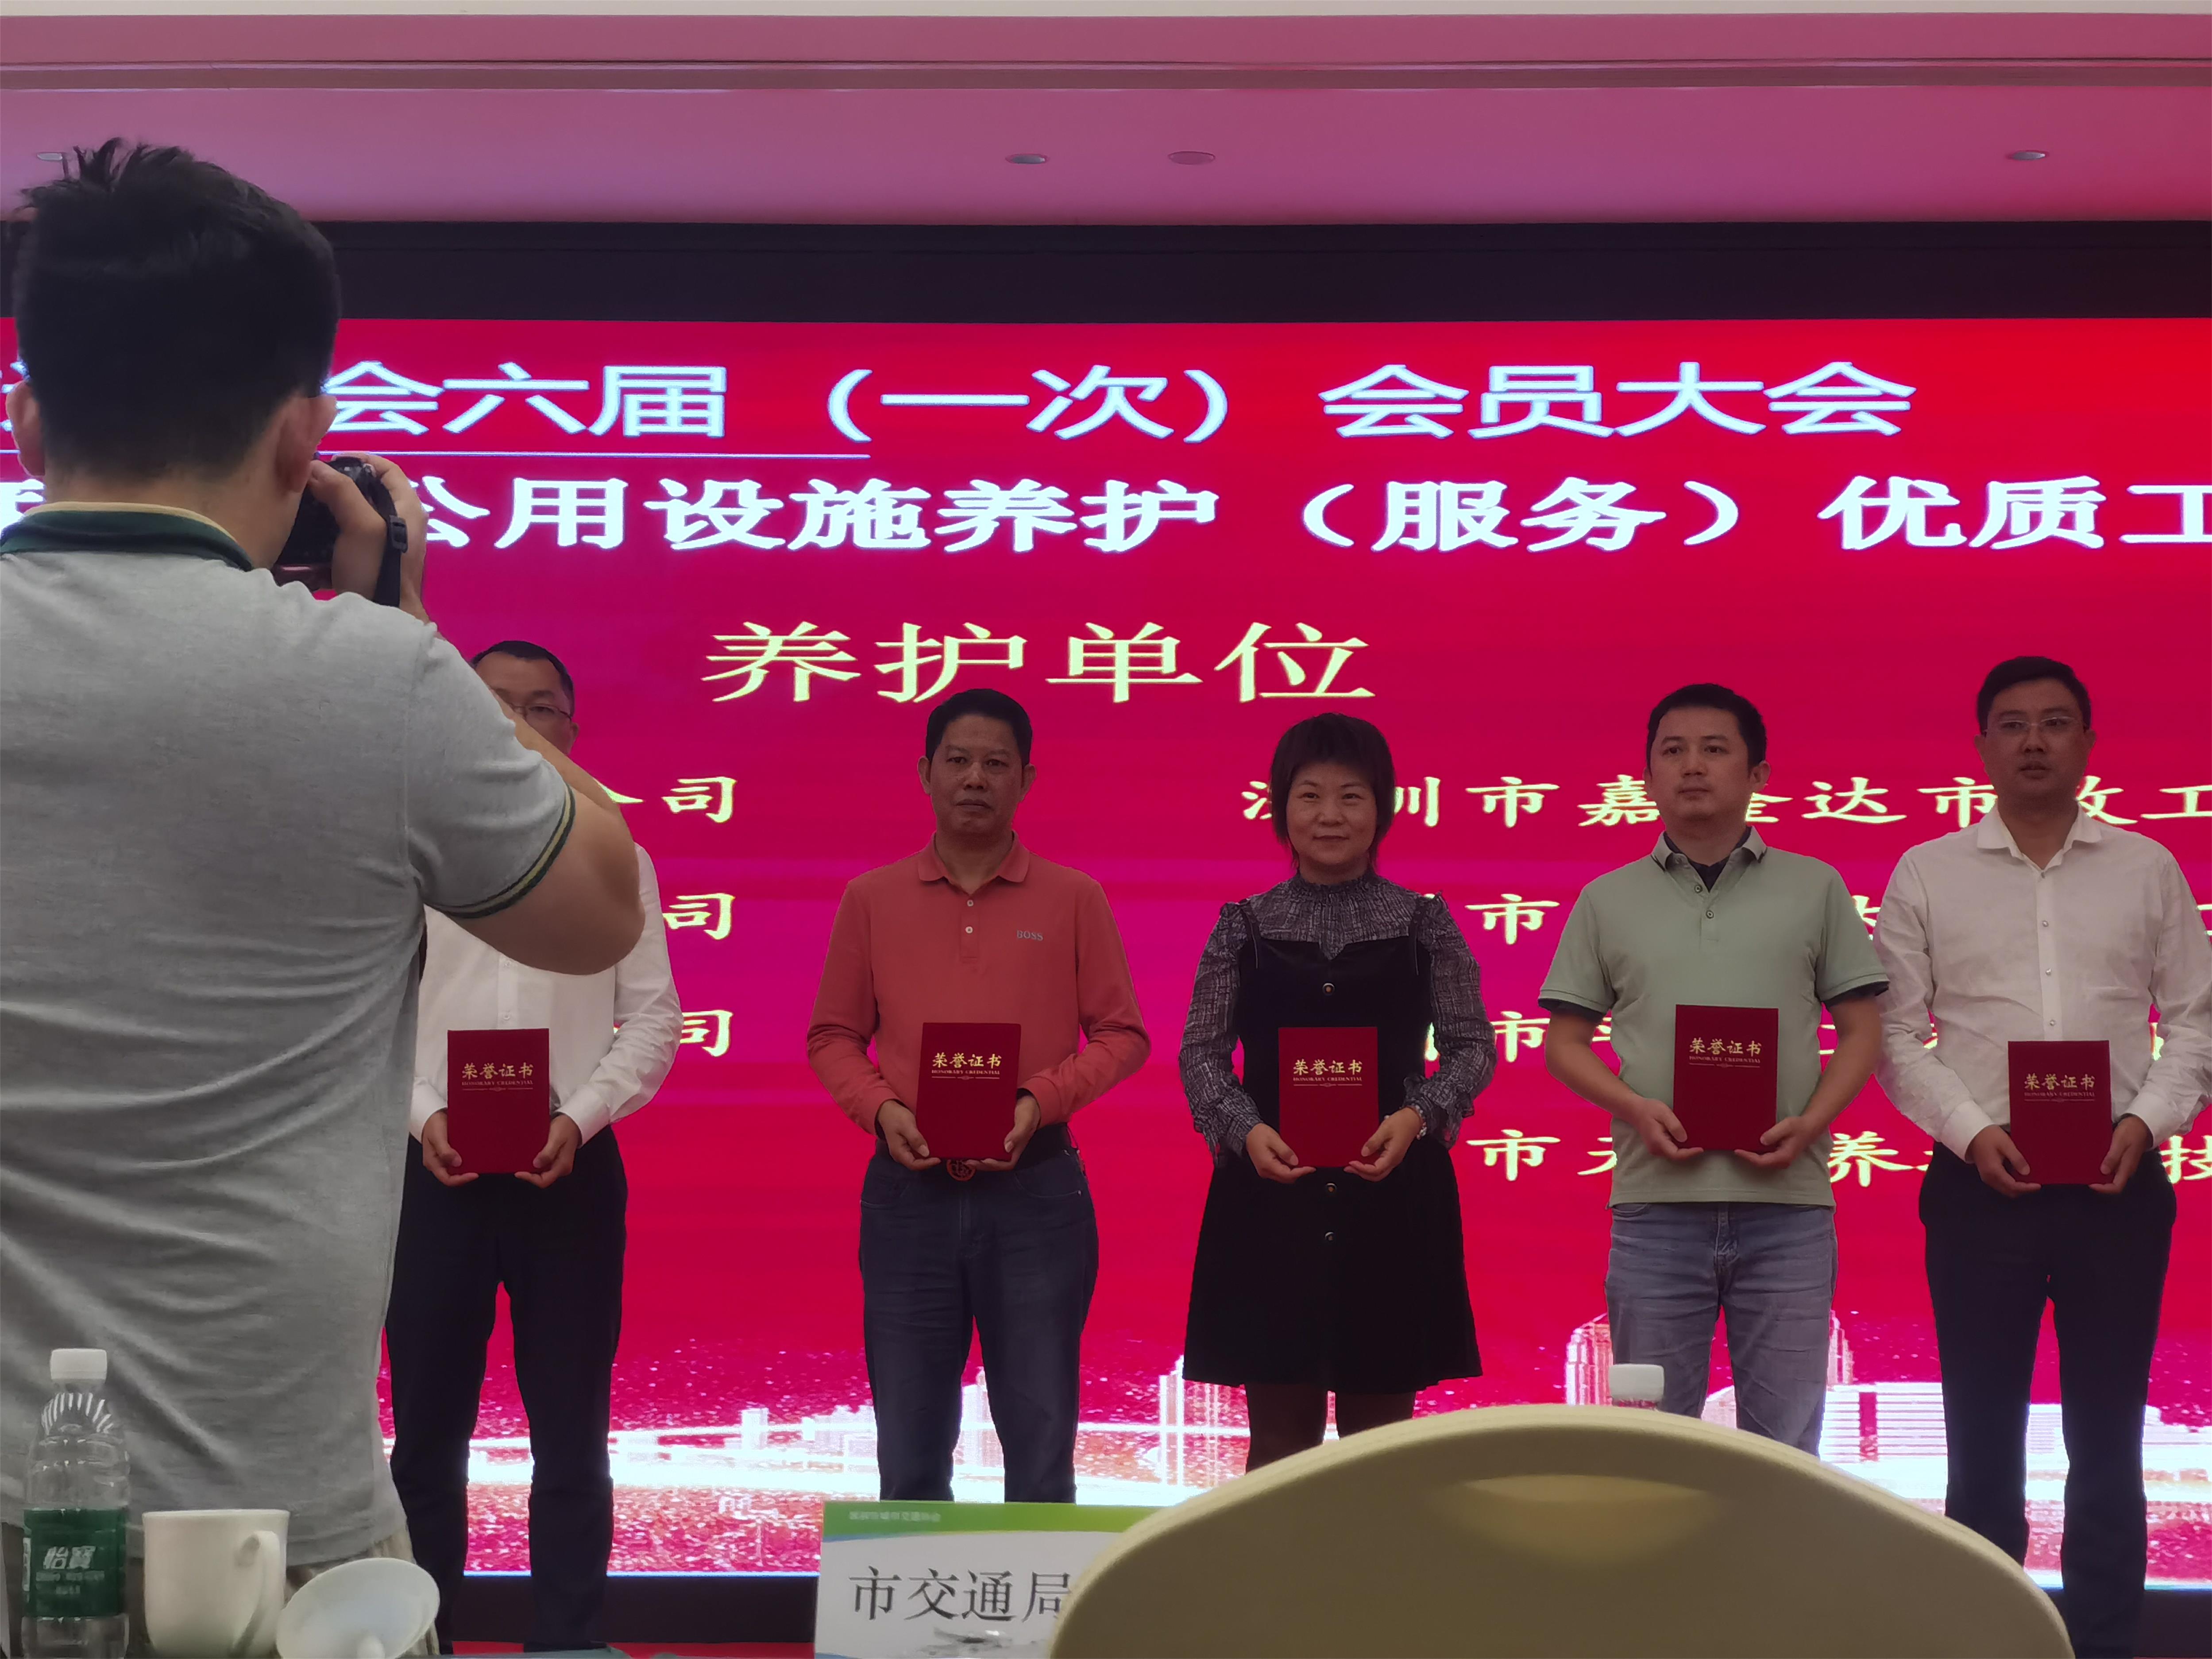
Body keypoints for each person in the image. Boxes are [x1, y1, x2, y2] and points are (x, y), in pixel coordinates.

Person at [0, 141, 641, 1634]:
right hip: (267, 1536)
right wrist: (405, 613)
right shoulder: (376, 678)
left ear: (25, 418)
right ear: (304, 439)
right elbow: (598, 902)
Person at [1872, 656, 2211, 1659]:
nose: (2033, 741)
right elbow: (1892, 1033)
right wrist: (1970, 1128)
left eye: (2055, 723)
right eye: (2013, 724)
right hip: (1980, 1186)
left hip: (2118, 1181)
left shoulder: (2146, 866)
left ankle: (2104, 1642)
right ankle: (1986, 1638)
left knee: (2108, 1438)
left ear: (2088, 744)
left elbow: (2195, 1019)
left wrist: (2146, 1121)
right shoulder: (1927, 870)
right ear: (1981, 746)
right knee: (1981, 1438)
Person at [386, 640, 681, 1655]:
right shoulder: (407, 856)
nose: (514, 723)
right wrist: (425, 1113)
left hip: (571, 1172)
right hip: (434, 1171)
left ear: (572, 730)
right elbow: (369, 1013)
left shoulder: (616, 858)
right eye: (492, 703)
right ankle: (423, 1635)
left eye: (540, 707)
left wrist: (580, 1115)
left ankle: (568, 1636)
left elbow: (653, 1018)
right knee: (427, 1432)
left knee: (572, 1429)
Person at [806, 687, 1148, 1503]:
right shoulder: (871, 898)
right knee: (909, 1449)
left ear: (1026, 780)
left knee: (1040, 1449)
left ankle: (1032, 1595)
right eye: (957, 761)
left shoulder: (1073, 897)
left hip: (1036, 1195)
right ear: (924, 772)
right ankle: (918, 1594)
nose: (974, 779)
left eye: (996, 764)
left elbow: (1123, 1035)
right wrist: (883, 1109)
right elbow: (832, 1036)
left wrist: (1039, 1100)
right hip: (908, 1194)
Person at [1538, 684, 1886, 1450]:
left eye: (1714, 749)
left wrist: (1811, 1124)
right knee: (1654, 1450)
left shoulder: (1816, 887)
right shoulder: (1605, 899)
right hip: (1655, 1210)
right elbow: (1563, 1043)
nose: (1691, 766)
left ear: (1757, 773)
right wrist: (1635, 1109)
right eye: (1672, 751)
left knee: (1783, 1450)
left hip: (1787, 1210)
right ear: (1646, 777)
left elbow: (1863, 1029)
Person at [1181, 714, 1494, 1470]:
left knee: (1378, 1455)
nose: (1329, 815)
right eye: (1309, 795)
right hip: (1271, 1200)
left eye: (1351, 796)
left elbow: (1472, 1046)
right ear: (1280, 808)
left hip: (1391, 1199)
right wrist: (1244, 1128)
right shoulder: (1242, 927)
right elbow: (1200, 1053)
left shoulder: (1424, 924)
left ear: (1383, 808)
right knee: (1278, 1447)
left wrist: (1418, 1115)